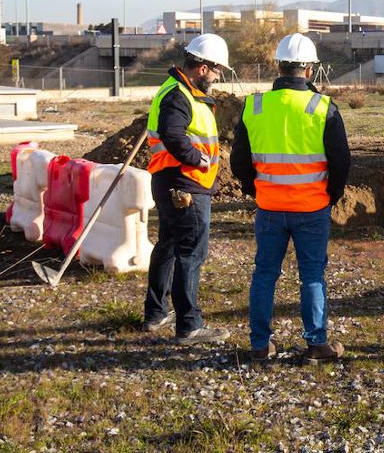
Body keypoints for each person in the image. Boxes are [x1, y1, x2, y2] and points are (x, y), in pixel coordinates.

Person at [231, 33, 350, 363]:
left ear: (279, 67)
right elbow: (341, 162)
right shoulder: (323, 107)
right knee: (312, 275)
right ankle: (316, 343)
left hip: (269, 206)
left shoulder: (255, 106)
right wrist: (331, 195)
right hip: (312, 208)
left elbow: (239, 161)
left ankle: (259, 345)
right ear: (310, 70)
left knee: (264, 274)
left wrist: (256, 189)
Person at [142, 33, 232, 344]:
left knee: (168, 246)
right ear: (203, 67)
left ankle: (156, 314)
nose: (217, 76)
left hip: (172, 182)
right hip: (185, 184)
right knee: (191, 252)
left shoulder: (179, 91)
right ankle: (189, 325)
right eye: (216, 69)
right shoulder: (179, 95)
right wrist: (199, 160)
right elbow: (173, 134)